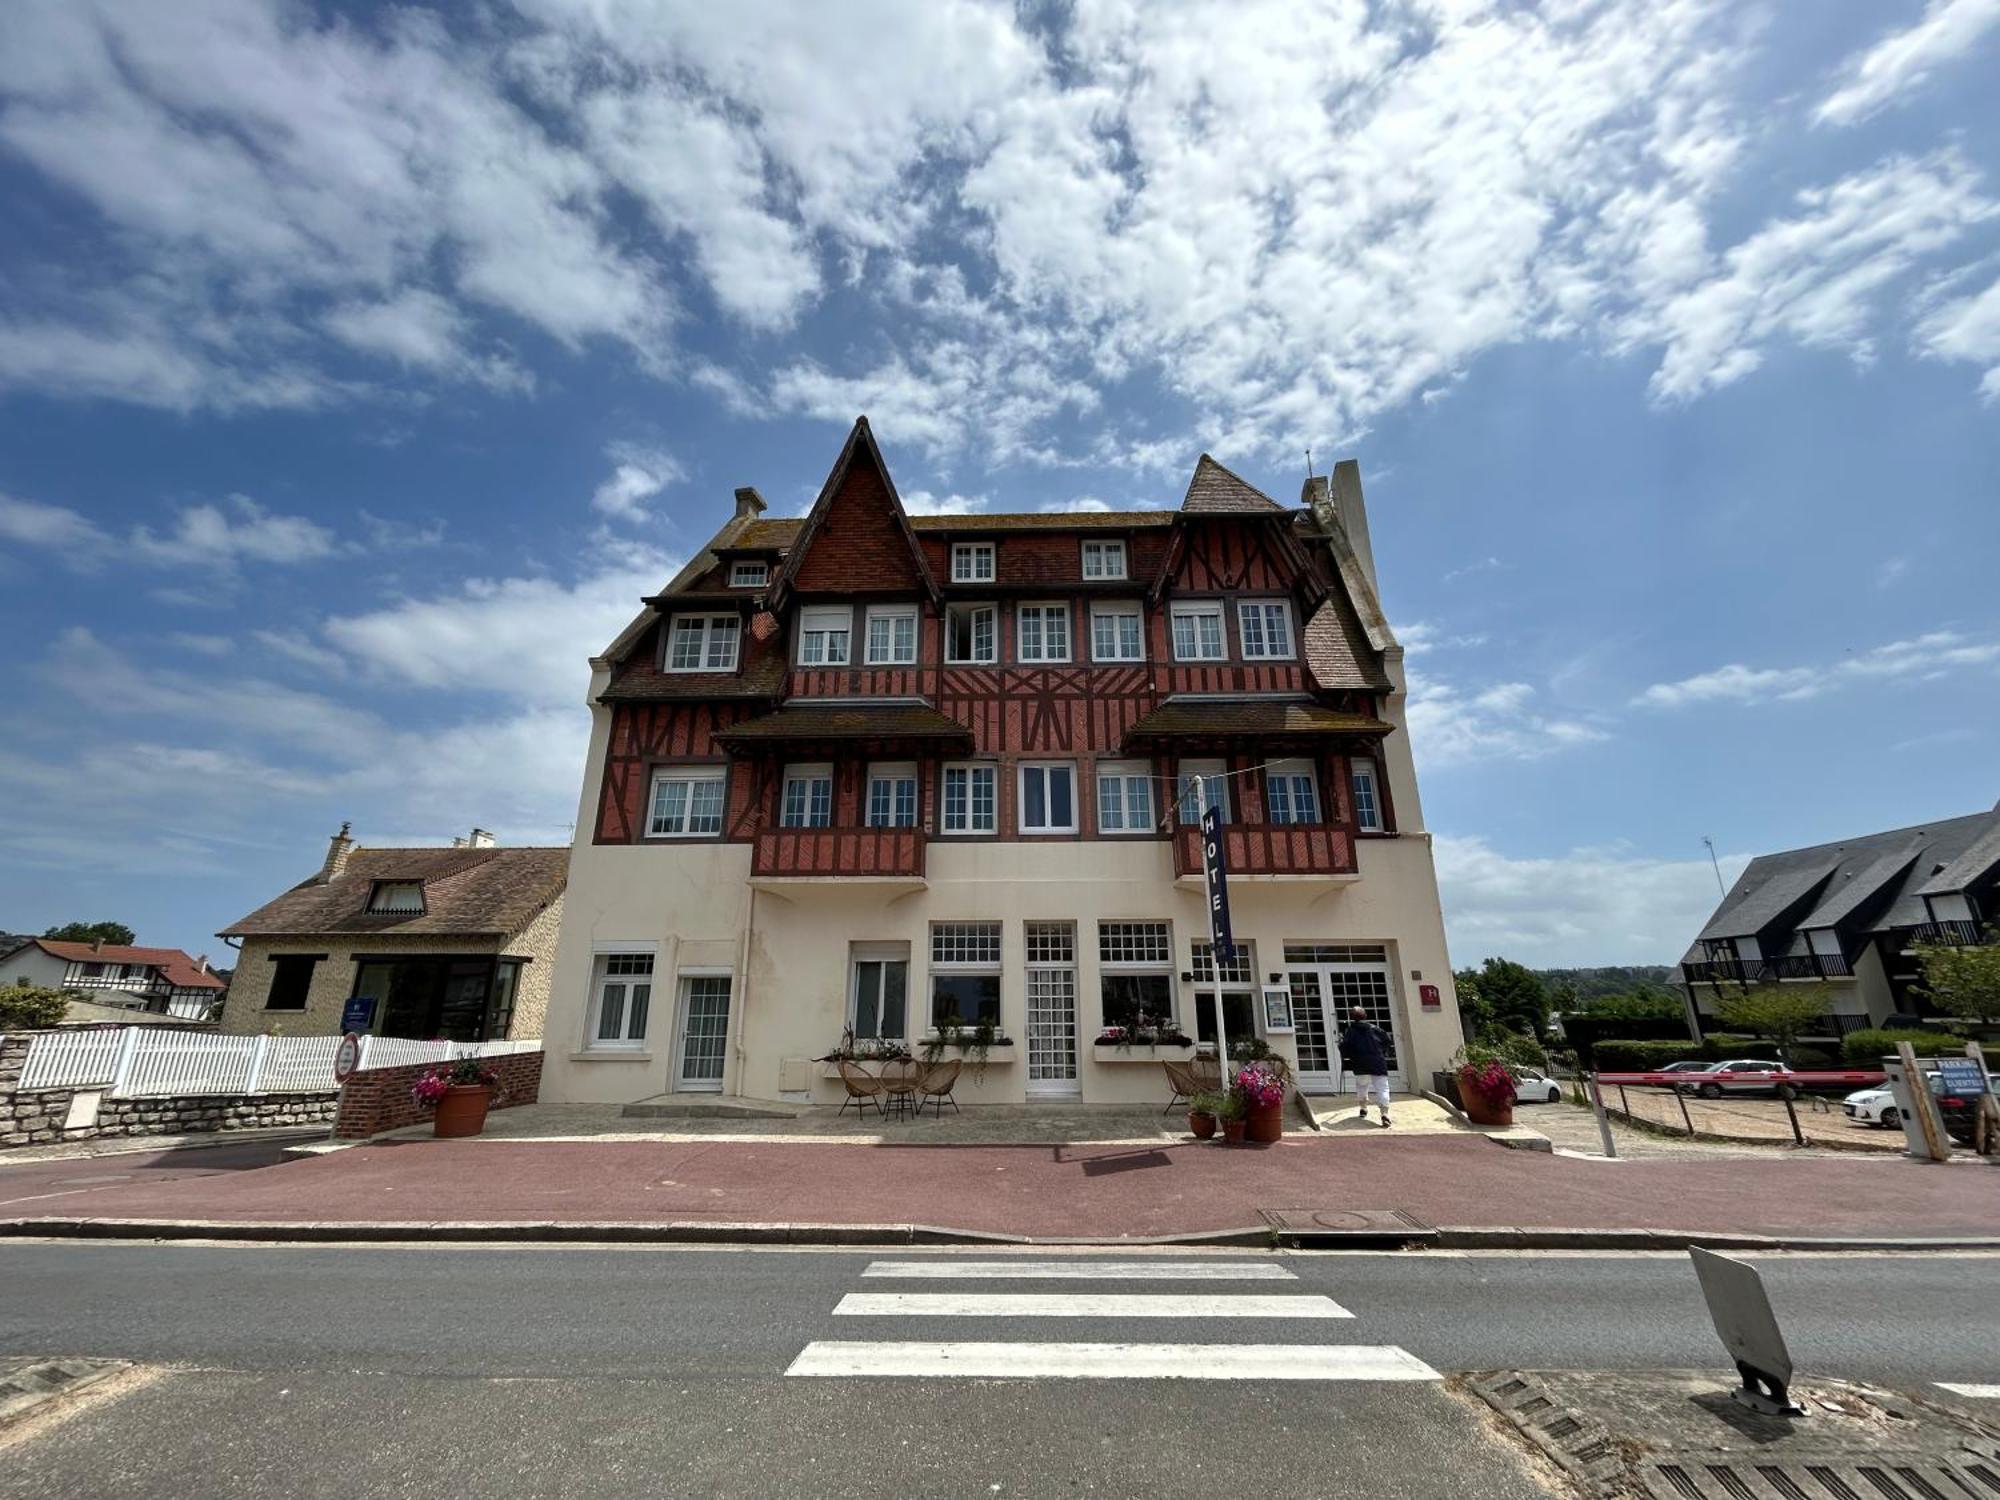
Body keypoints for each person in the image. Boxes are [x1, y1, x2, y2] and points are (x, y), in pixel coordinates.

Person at [1341, 1006, 1391, 1127]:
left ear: (1352, 1018)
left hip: (1360, 1063)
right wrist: (1380, 1052)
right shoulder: (1374, 1028)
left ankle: (1363, 1108)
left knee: (1362, 1086)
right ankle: (1385, 1114)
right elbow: (1387, 1040)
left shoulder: (1350, 1031)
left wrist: (1345, 1051)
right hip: (1377, 1061)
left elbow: (1345, 1048)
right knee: (1382, 1088)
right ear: (1365, 1016)